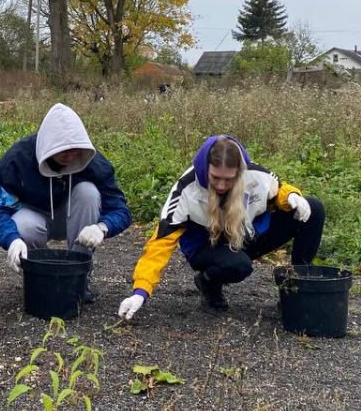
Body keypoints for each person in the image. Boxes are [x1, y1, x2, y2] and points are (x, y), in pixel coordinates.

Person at [117, 136, 325, 320]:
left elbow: (277, 188)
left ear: (240, 171)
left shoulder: (255, 174)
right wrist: (140, 291)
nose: (222, 186)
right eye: (215, 178)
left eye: (229, 179)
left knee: (313, 209)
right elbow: (159, 244)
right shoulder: (185, 191)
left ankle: (297, 289)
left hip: (245, 234)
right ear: (206, 169)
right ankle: (208, 282)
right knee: (238, 265)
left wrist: (291, 196)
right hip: (207, 245)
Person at [0, 103, 131, 303]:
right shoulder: (17, 160)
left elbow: (120, 209)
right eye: (63, 150)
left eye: (74, 150)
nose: (70, 156)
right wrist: (12, 239)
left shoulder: (92, 162)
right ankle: (38, 273)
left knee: (88, 192)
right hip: (34, 218)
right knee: (24, 226)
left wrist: (102, 227)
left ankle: (79, 276)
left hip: (74, 219)